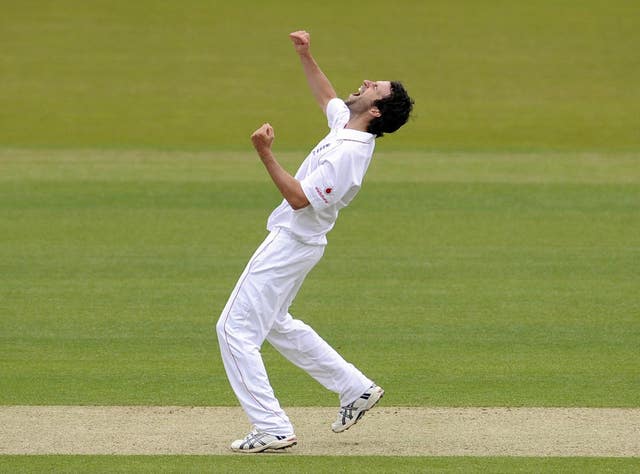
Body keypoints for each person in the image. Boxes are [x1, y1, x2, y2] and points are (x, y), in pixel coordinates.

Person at [216, 30, 414, 453]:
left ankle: (271, 426)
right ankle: (354, 388)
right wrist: (306, 55)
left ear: (376, 110)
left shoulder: (349, 155)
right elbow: (328, 97)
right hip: (300, 241)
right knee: (275, 324)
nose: (364, 82)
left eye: (373, 87)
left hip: (292, 241)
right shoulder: (348, 124)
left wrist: (264, 152)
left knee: (233, 330)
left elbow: (299, 198)